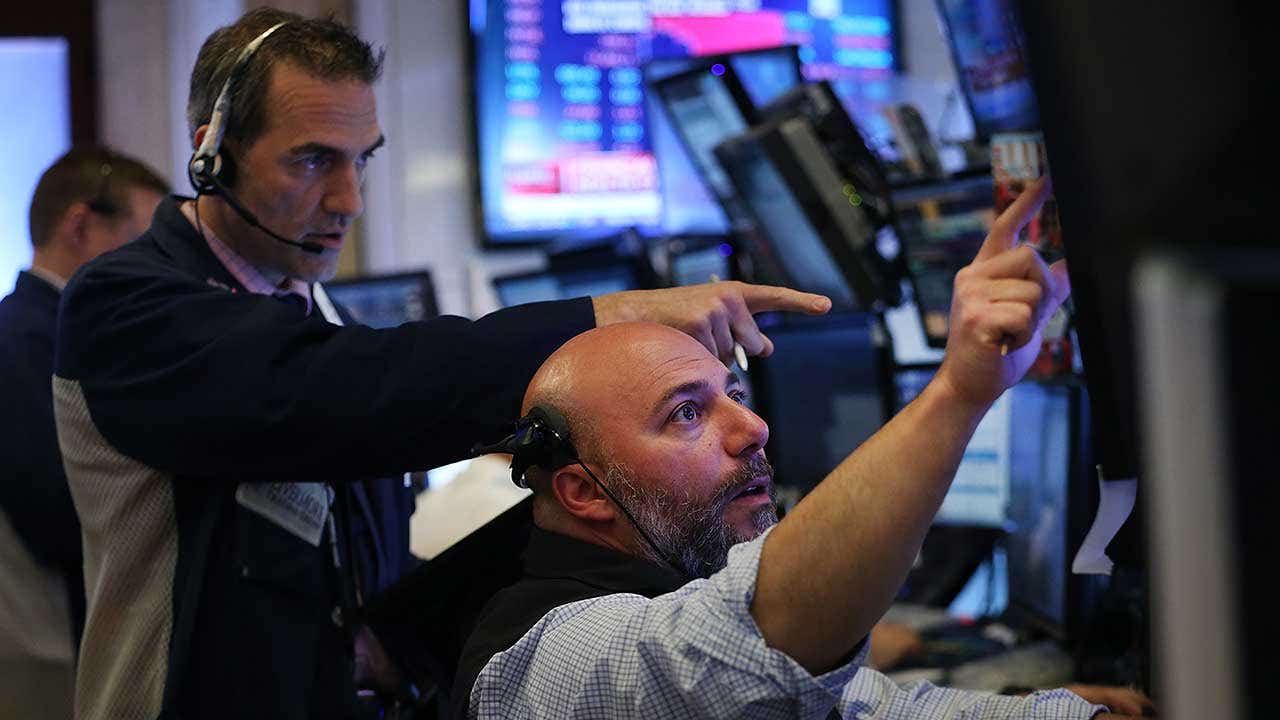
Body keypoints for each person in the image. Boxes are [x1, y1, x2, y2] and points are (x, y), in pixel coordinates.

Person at [51, 8, 828, 720]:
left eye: (362, 160)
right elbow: (349, 392)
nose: (348, 200)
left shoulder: (313, 304)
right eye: (313, 161)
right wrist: (613, 315)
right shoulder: (126, 306)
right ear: (210, 151)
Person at [453, 180, 1157, 719]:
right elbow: (748, 644)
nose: (752, 429)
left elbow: (868, 708)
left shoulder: (673, 576)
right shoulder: (537, 662)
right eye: (688, 413)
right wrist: (959, 392)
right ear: (583, 491)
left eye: (736, 395)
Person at [0, 147, 166, 719]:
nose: (158, 270)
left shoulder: (37, 333)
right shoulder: (23, 343)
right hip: (46, 661)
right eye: (145, 243)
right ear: (79, 225)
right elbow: (62, 516)